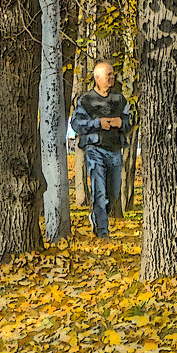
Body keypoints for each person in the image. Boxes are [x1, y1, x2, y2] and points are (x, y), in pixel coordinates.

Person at [70, 61, 133, 239]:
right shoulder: (86, 100)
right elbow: (76, 124)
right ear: (97, 78)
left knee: (113, 194)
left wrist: (121, 123)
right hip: (95, 150)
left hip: (115, 151)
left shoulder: (119, 99)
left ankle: (95, 217)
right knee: (100, 192)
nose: (112, 77)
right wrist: (97, 123)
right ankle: (102, 232)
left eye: (113, 74)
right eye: (108, 75)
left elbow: (128, 122)